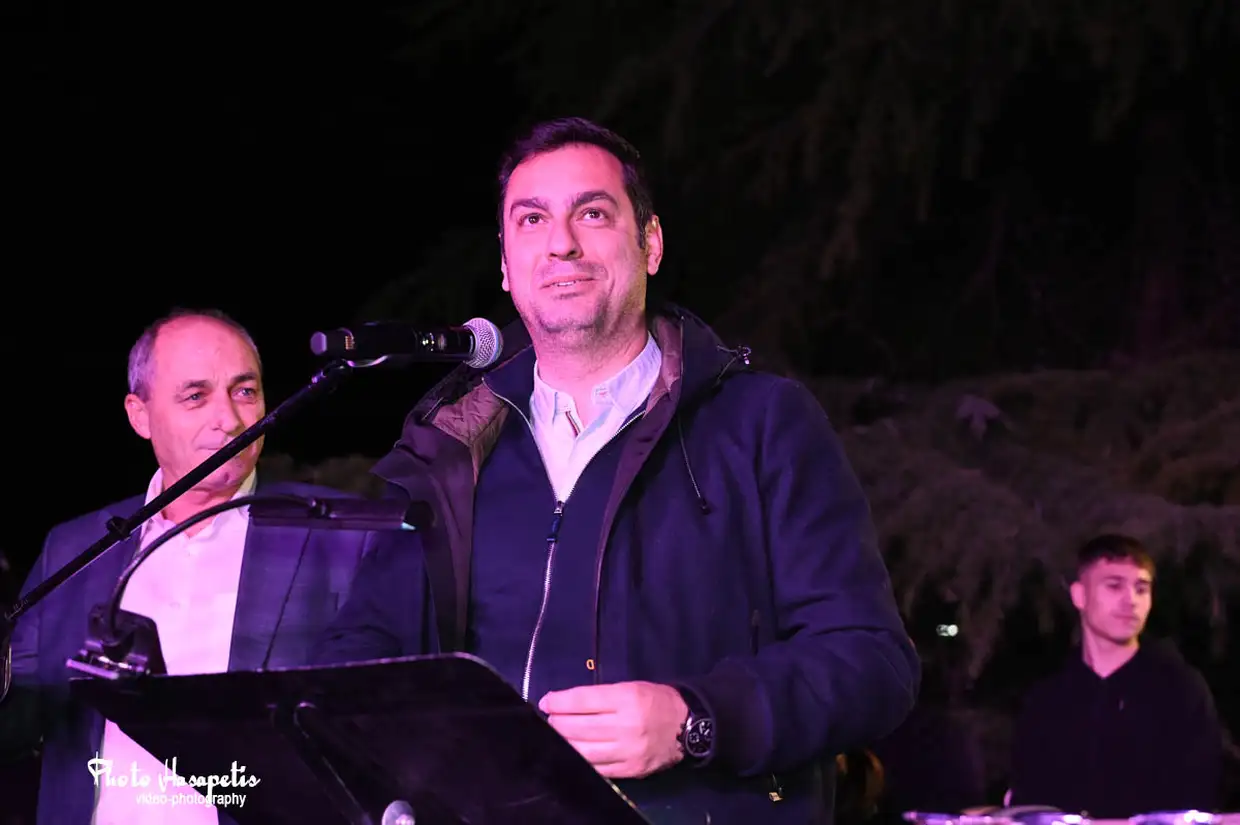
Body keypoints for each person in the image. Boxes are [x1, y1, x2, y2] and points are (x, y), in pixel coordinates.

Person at [312, 116, 920, 824]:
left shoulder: (762, 424)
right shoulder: (450, 449)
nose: (561, 243)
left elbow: (872, 661)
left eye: (593, 213)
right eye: (532, 219)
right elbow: (362, 658)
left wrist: (697, 719)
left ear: (650, 244)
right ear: (505, 264)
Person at [0, 309, 397, 825]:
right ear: (139, 415)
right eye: (195, 396)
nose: (228, 420)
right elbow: (19, 724)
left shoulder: (339, 535)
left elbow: (384, 736)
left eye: (244, 391)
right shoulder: (75, 548)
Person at [1008, 533, 1224, 816]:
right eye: (1114, 586)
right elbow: (1030, 801)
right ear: (1079, 596)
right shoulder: (1047, 698)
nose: (1131, 600)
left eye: (1141, 589)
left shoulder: (1179, 691)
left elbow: (1197, 798)